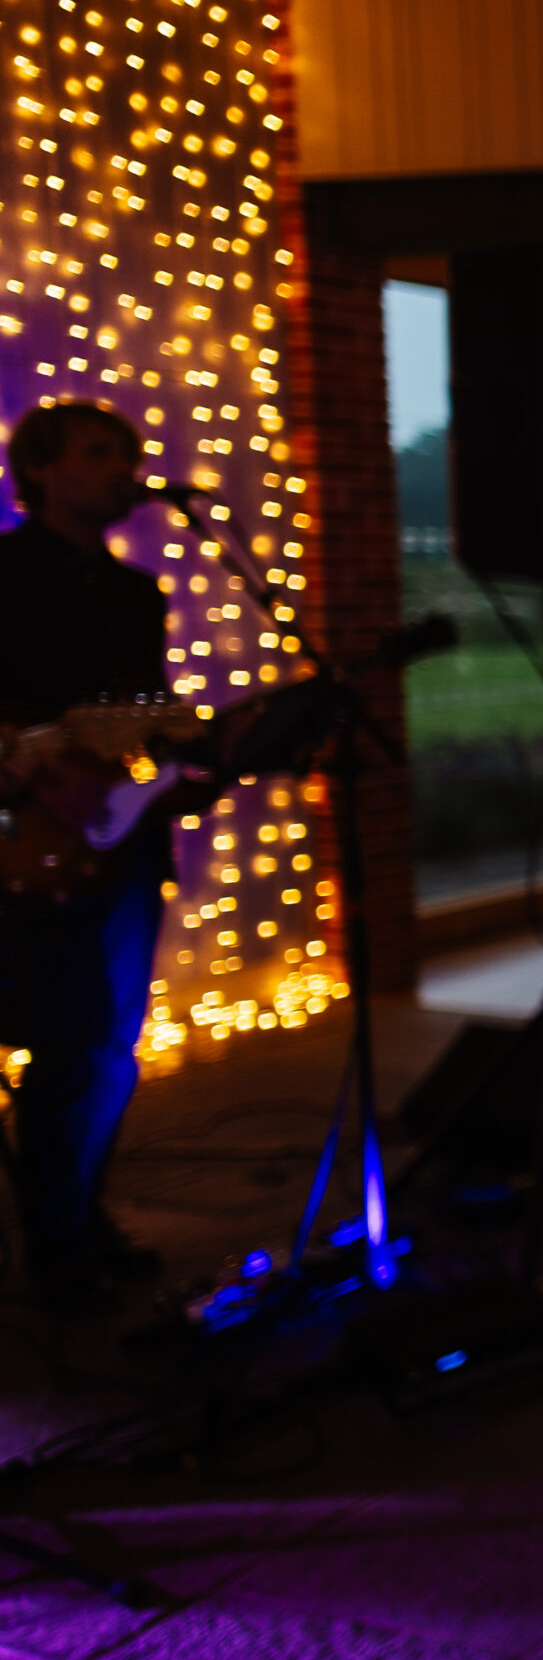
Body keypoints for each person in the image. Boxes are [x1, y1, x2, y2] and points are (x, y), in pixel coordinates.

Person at [0, 400, 170, 1314]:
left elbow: (144, 716)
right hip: (30, 846)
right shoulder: (6, 574)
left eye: (128, 453)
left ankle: (81, 1211)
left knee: (114, 1049)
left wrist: (188, 761)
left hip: (125, 843)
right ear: (43, 471)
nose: (124, 467)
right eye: (100, 453)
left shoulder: (137, 593)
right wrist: (34, 773)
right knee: (69, 1047)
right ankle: (56, 1246)